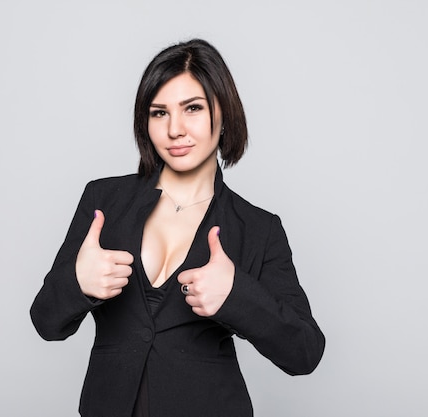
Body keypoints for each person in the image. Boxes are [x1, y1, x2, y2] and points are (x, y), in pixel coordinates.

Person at [30, 38, 325, 417]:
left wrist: (237, 294)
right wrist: (77, 282)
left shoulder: (258, 228)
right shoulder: (104, 200)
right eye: (159, 113)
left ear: (224, 113)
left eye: (193, 109)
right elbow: (45, 322)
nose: (175, 129)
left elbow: (305, 352)